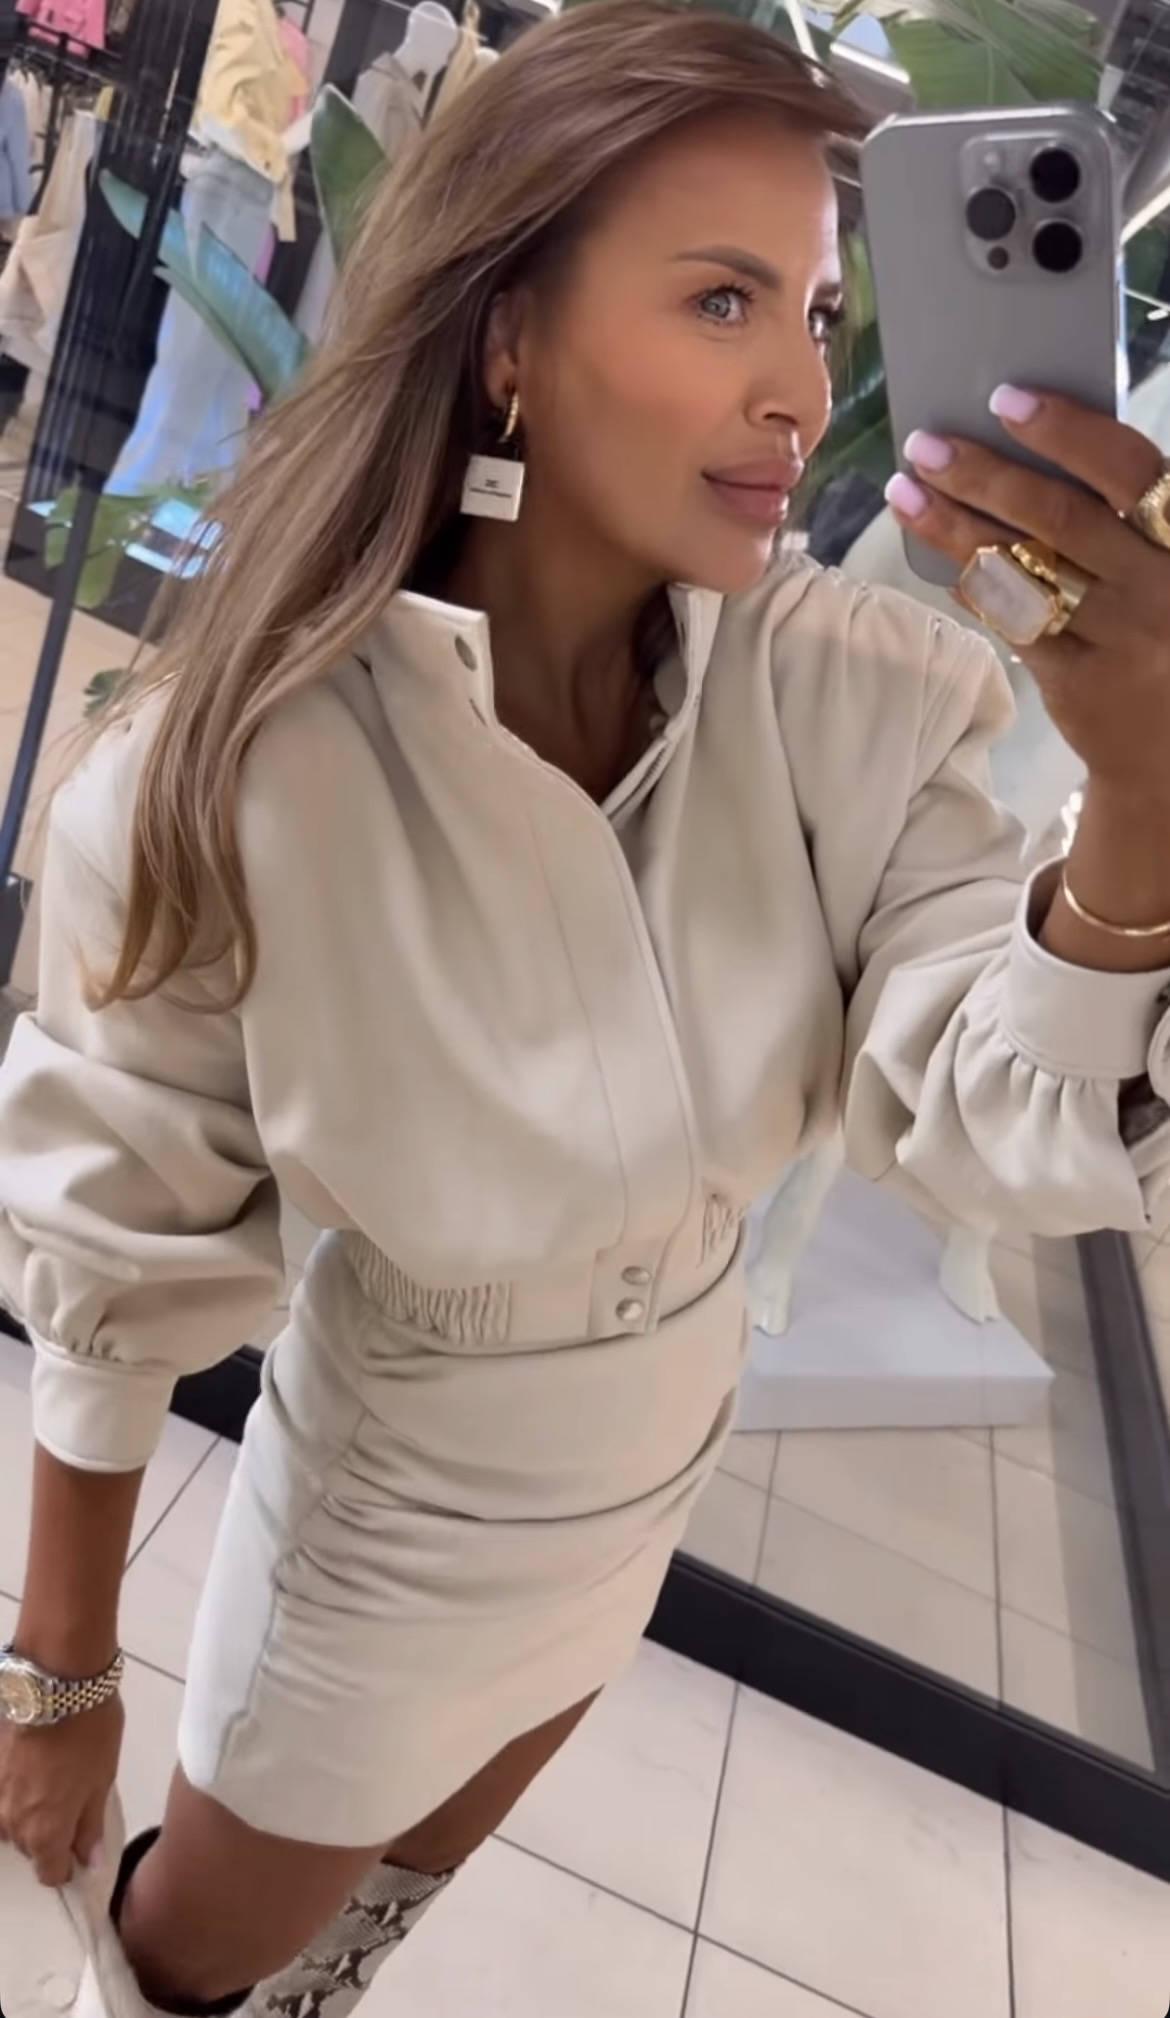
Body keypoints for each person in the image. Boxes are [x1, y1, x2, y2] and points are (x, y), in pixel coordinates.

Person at [2, 2, 1170, 2012]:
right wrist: (58, 1675)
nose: (801, 385)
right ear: (509, 342)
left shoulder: (846, 696)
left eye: (818, 310)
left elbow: (1002, 1123)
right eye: (723, 299)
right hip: (393, 1537)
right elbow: (115, 1257)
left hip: (641, 1497)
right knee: (183, 1984)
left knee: (358, 1950)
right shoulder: (249, 769)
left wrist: (1140, 788)